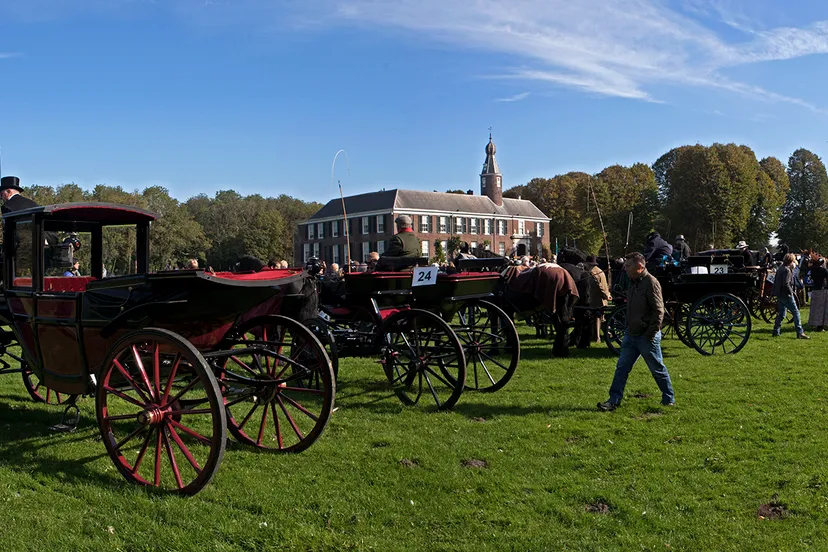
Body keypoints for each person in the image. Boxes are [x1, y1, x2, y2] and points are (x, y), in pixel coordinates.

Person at [598, 252, 675, 411]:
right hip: (631, 335)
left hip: (646, 336)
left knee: (657, 369)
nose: (625, 268)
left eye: (628, 265)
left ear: (639, 266)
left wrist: (649, 334)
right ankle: (613, 400)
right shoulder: (633, 282)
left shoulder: (651, 282)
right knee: (622, 368)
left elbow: (659, 311)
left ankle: (669, 399)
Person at [772, 253, 809, 339]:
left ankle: (776, 331)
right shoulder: (787, 270)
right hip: (786, 294)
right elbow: (786, 284)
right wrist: (791, 293)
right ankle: (800, 332)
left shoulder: (780, 268)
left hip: (779, 294)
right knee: (796, 312)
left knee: (781, 314)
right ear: (791, 261)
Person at [585, 255, 611, 343]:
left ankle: (596, 338)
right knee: (601, 319)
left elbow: (598, 286)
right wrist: (607, 295)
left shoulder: (592, 272)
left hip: (597, 298)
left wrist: (605, 295)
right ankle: (608, 334)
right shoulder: (600, 271)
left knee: (596, 319)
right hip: (602, 298)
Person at [808, 258, 828, 331]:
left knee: (815, 309)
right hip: (822, 290)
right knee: (822, 309)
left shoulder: (812, 270)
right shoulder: (824, 270)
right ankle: (821, 325)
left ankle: (815, 323)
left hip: (815, 289)